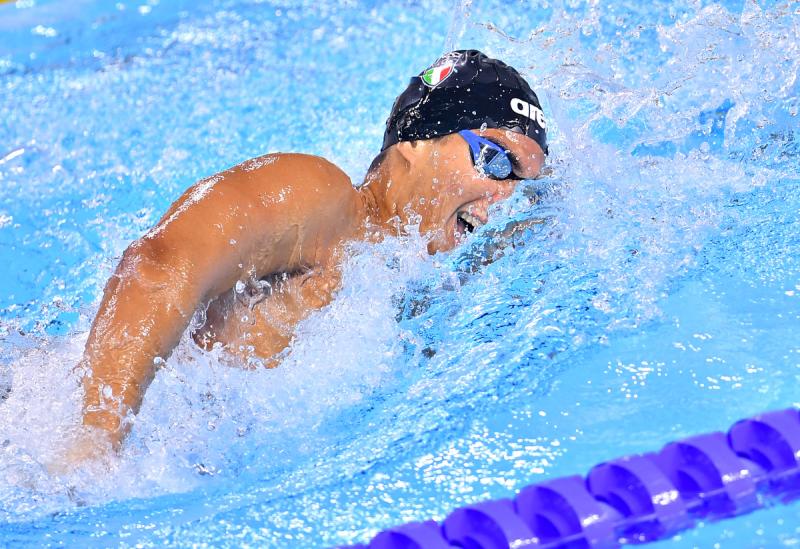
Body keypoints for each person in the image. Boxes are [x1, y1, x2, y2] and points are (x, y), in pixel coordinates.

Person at [66, 49, 548, 466]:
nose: (504, 195)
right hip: (48, 424)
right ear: (417, 143)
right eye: (496, 161)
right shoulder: (320, 199)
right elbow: (158, 265)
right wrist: (95, 447)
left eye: (519, 182)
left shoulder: (402, 283)